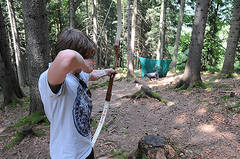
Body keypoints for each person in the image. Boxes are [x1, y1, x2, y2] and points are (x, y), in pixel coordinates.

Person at [38, 27, 117, 159]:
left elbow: (92, 75)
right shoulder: (51, 78)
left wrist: (106, 72)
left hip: (85, 149)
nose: (92, 60)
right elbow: (67, 57)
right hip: (67, 155)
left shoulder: (77, 74)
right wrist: (85, 65)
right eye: (88, 57)